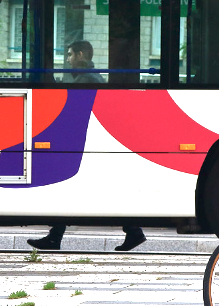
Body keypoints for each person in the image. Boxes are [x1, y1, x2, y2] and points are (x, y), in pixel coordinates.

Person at [27, 40, 146, 252]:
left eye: (70, 54)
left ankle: (133, 231)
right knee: (81, 189)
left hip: (87, 142)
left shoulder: (86, 79)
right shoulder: (86, 77)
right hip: (87, 140)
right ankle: (56, 237)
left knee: (89, 189)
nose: (68, 59)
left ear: (80, 55)